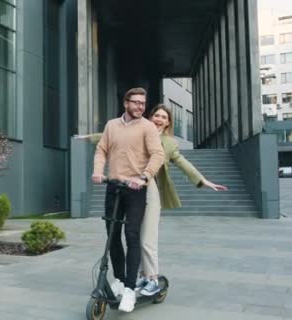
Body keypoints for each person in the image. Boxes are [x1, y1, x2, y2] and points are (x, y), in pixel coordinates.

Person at [82, 103, 227, 298]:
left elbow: (183, 163)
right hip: (129, 188)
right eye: (156, 115)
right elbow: (109, 137)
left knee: (146, 238)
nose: (159, 119)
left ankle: (151, 278)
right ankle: (139, 275)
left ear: (168, 123)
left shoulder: (169, 143)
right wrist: (88, 137)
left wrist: (203, 180)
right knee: (132, 236)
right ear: (151, 118)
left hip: (149, 190)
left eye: (163, 117)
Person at [91, 87, 164, 312]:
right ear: (126, 103)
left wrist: (144, 177)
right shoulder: (112, 125)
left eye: (143, 103)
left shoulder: (148, 127)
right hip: (113, 187)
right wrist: (97, 171)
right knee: (112, 236)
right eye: (136, 103)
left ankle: (131, 289)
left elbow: (157, 154)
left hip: (135, 189)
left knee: (131, 235)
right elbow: (101, 149)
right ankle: (121, 280)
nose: (140, 107)